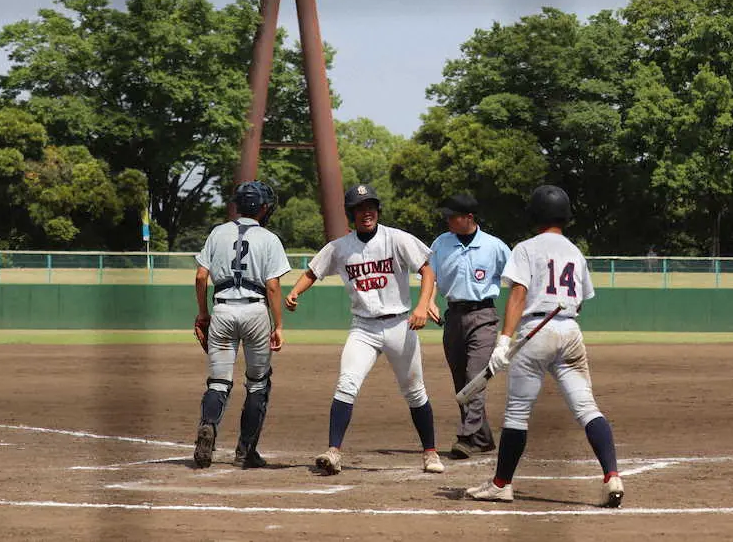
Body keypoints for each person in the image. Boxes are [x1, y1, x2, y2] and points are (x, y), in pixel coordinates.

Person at [465, 185, 624, 508]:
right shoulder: (575, 252)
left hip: (535, 331)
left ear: (535, 214)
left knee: (517, 413)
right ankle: (612, 476)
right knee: (586, 408)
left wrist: (504, 340)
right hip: (569, 330)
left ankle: (501, 484)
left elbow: (519, 295)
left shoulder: (526, 248)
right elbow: (579, 302)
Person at [283, 184, 445, 475]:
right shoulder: (340, 247)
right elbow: (312, 271)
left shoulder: (397, 238)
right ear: (351, 214)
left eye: (370, 206)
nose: (366, 211)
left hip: (399, 324)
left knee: (414, 392)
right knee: (346, 384)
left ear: (378, 210)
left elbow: (427, 270)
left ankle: (430, 453)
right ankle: (333, 451)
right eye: (359, 207)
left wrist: (422, 306)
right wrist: (295, 292)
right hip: (363, 328)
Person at [192, 181, 291, 469]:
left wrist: (203, 315)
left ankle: (208, 425)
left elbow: (200, 277)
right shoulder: (269, 238)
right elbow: (272, 286)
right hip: (254, 310)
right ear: (263, 208)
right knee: (258, 383)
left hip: (222, 308)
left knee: (219, 381)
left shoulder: (217, 233)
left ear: (237, 205)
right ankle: (245, 452)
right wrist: (278, 325)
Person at [429, 193, 511, 459]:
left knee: (475, 377)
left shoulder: (494, 246)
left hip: (483, 316)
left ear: (469, 218)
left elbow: (517, 278)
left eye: (453, 216)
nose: (448, 220)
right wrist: (428, 300)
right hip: (452, 317)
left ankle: (466, 437)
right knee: (460, 381)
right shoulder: (441, 244)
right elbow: (430, 275)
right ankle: (483, 437)